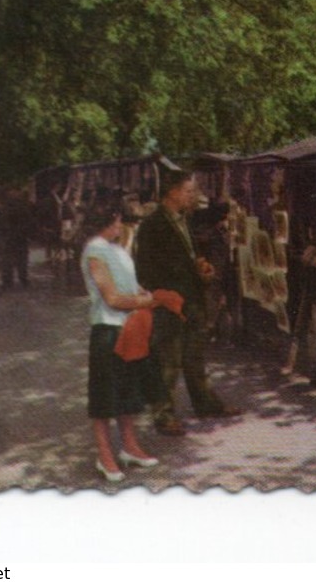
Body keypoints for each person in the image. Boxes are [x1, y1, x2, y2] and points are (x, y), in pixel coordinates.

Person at [134, 169, 239, 435]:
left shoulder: (184, 219)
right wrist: (172, 287)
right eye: (189, 191)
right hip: (171, 301)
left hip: (192, 298)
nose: (194, 196)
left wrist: (200, 266)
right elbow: (144, 270)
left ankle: (205, 403)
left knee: (195, 355)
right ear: (173, 192)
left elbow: (190, 254)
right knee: (168, 360)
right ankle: (164, 415)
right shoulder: (152, 225)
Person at [80, 195, 161, 483]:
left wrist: (146, 294)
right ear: (107, 221)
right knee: (104, 396)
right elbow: (112, 298)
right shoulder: (94, 251)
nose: (120, 224)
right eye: (116, 219)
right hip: (107, 330)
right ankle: (105, 455)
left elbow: (131, 284)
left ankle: (130, 447)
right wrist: (143, 302)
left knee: (129, 392)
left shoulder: (118, 250)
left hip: (129, 328)